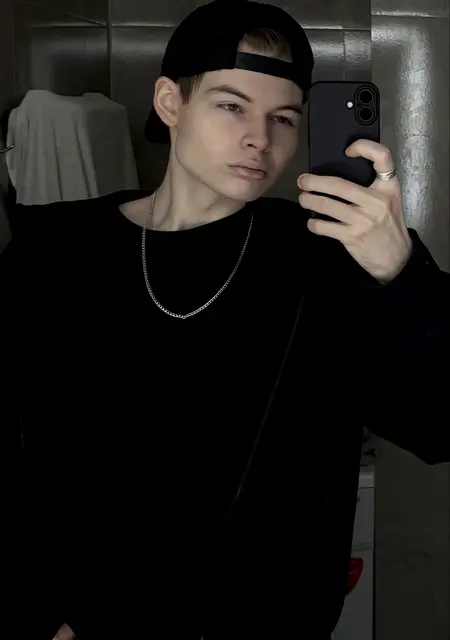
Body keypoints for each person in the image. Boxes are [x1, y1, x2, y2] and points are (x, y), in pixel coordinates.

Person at [1, 1, 449, 638]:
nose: (260, 139)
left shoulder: (328, 259)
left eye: (283, 118)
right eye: (232, 106)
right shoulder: (53, 251)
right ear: (170, 102)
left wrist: (401, 273)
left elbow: (437, 425)